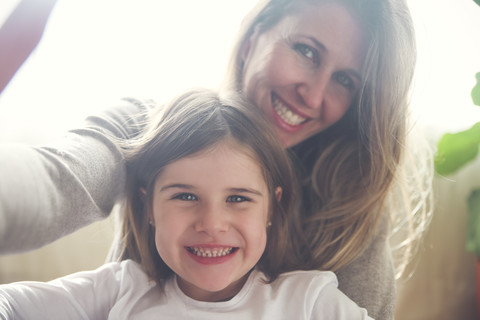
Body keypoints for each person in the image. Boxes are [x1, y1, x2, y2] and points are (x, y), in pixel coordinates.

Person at [0, 0, 433, 319]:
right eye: (306, 51)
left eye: (344, 80)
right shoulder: (150, 129)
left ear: (274, 205)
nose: (314, 95)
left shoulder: (343, 222)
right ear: (252, 40)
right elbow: (55, 183)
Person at [0, 89, 373, 319]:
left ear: (272, 209)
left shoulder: (309, 301)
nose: (212, 223)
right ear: (149, 208)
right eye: (186, 196)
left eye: (238, 199)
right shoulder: (122, 289)